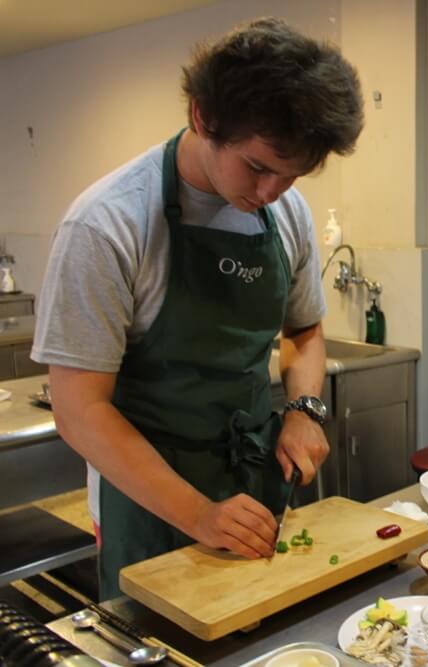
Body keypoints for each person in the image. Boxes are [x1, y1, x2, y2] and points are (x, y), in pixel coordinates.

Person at [30, 17, 364, 600]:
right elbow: (79, 409)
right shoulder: (108, 224)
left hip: (255, 475)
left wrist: (304, 409)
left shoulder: (287, 214)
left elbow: (305, 330)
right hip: (150, 493)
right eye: (258, 167)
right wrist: (198, 513)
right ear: (202, 118)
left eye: (292, 175)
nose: (269, 193)